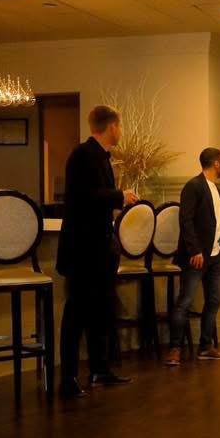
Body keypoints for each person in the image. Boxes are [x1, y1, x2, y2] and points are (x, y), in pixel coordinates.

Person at [57, 105, 138, 399]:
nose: (121, 131)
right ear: (112, 127)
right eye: (120, 126)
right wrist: (120, 196)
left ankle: (99, 369)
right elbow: (84, 196)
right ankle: (68, 378)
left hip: (100, 249)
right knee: (77, 312)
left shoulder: (101, 157)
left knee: (101, 312)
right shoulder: (83, 154)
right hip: (82, 250)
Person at [164, 148, 220, 366]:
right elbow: (186, 220)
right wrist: (194, 250)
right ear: (216, 163)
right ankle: (175, 349)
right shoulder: (193, 186)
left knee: (214, 300)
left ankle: (205, 347)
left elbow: (218, 222)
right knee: (185, 301)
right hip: (197, 257)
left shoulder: (217, 189)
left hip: (214, 257)